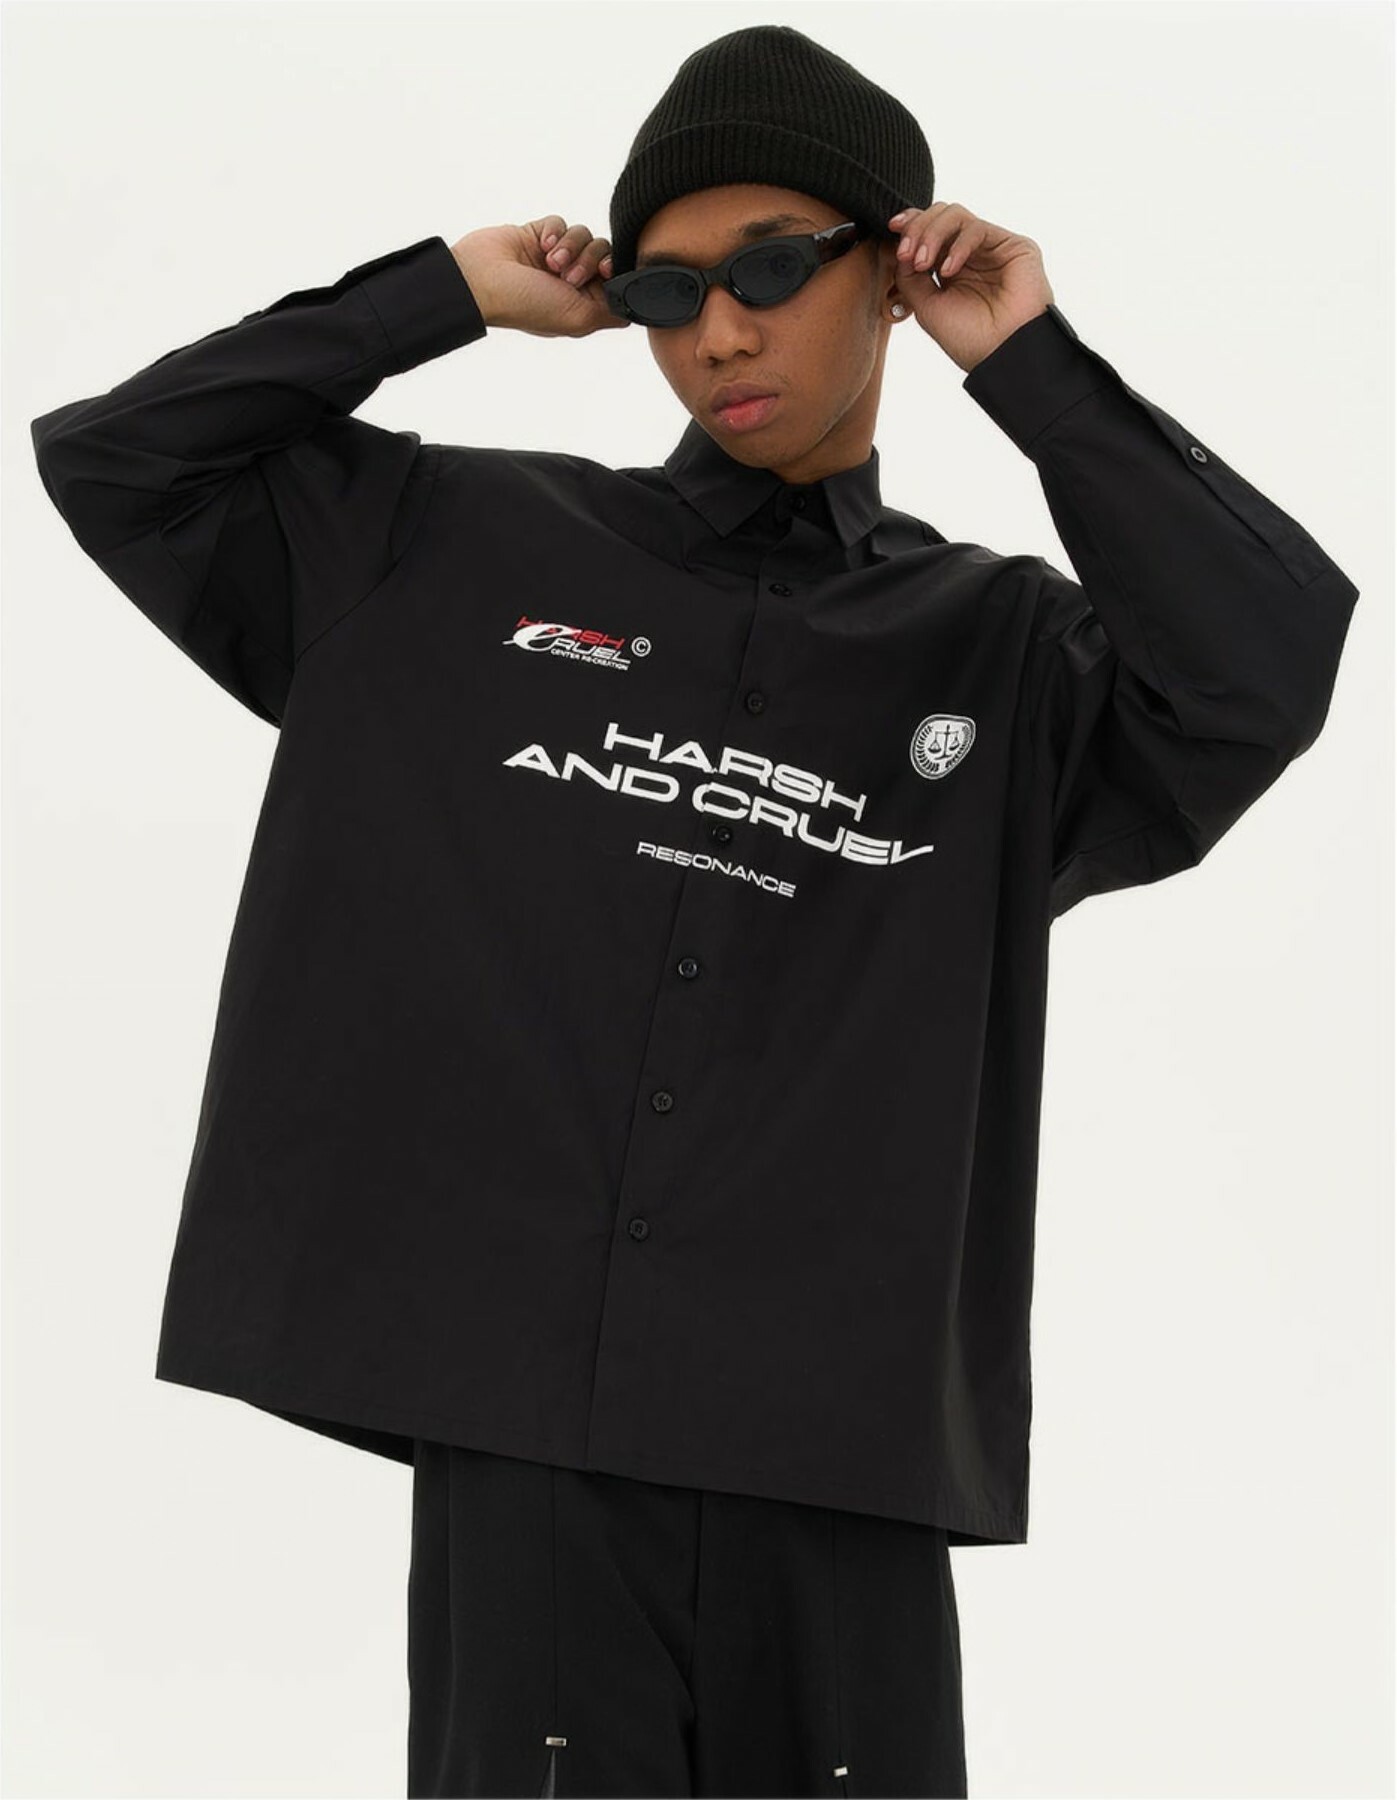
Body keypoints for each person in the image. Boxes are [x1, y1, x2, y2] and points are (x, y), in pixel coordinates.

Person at [28, 22, 1359, 1800]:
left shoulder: (1006, 659)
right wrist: (443, 292)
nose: (717, 331)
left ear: (890, 270)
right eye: (668, 289)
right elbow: (123, 461)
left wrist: (1029, 365)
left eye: (769, 270)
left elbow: (1260, 669)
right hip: (525, 1448)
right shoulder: (446, 550)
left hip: (839, 1464)